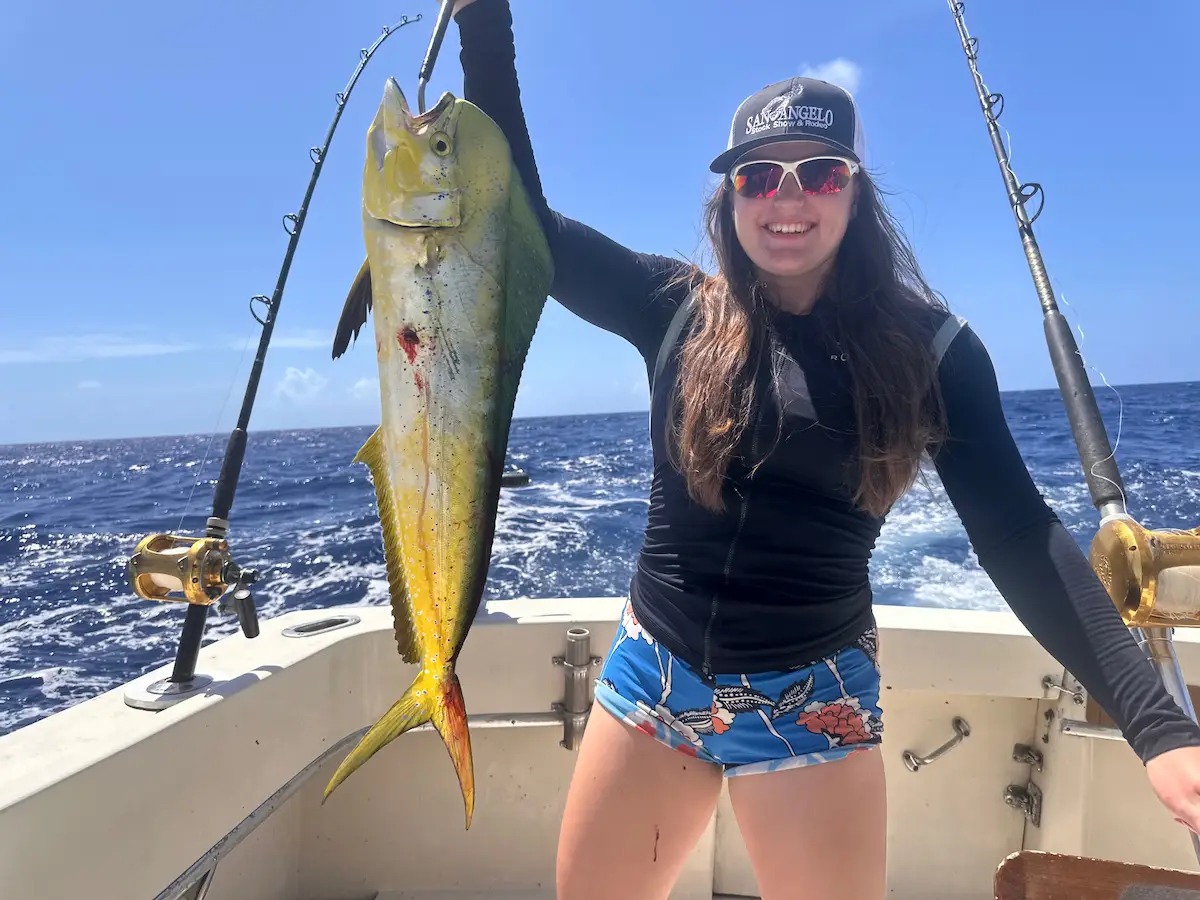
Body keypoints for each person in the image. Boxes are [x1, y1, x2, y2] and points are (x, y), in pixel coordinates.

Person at [440, 1, 1200, 896]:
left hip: (816, 702)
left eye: (817, 172)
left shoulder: (937, 353)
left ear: (854, 189)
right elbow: (520, 218)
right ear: (731, 198)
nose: (787, 197)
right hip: (653, 679)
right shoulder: (674, 309)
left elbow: (1016, 534)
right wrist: (485, 26)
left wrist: (1161, 728)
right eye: (759, 177)